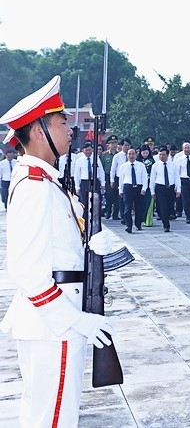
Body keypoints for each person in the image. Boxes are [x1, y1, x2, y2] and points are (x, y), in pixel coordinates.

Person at [0, 76, 115, 427]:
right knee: (54, 418)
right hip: (55, 323)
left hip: (53, 321)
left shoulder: (46, 181)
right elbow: (25, 268)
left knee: (45, 413)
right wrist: (75, 320)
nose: (70, 131)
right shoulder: (35, 186)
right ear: (38, 132)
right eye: (61, 122)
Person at [150, 145, 179, 232]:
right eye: (160, 155)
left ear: (167, 155)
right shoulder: (155, 166)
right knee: (163, 207)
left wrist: (178, 189)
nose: (161, 157)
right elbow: (152, 179)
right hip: (160, 187)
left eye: (163, 155)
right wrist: (152, 191)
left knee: (170, 206)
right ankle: (166, 225)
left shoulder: (173, 165)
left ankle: (168, 217)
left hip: (170, 188)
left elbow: (176, 177)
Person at [119, 148, 147, 233]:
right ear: (127, 155)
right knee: (127, 208)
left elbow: (144, 178)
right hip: (128, 187)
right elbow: (121, 179)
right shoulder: (123, 166)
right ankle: (129, 225)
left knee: (139, 208)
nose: (131, 156)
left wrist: (144, 188)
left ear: (136, 155)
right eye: (129, 154)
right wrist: (120, 190)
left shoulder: (141, 165)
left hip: (138, 187)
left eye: (133, 154)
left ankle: (138, 224)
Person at [73, 141, 105, 211]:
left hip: (95, 181)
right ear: (83, 151)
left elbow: (101, 171)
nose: (88, 152)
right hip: (84, 182)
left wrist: (103, 183)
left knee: (96, 201)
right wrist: (77, 187)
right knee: (84, 202)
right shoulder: (79, 160)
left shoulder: (96, 158)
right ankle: (85, 219)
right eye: (86, 150)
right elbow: (77, 174)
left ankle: (95, 219)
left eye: (90, 150)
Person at [174, 141, 190, 223]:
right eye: (185, 148)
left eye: (188, 148)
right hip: (183, 180)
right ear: (182, 149)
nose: (187, 149)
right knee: (185, 199)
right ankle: (188, 216)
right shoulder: (179, 159)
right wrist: (177, 185)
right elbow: (177, 172)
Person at [109, 137, 131, 221]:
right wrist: (112, 180)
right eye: (125, 145)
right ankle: (121, 215)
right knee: (119, 198)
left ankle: (126, 215)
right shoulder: (117, 156)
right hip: (119, 178)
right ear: (121, 146)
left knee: (127, 199)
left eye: (128, 145)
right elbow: (113, 169)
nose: (127, 147)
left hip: (129, 179)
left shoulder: (132, 155)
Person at [101, 136, 118, 219]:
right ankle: (108, 211)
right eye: (112, 143)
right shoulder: (104, 155)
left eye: (115, 143)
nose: (114, 145)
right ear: (108, 145)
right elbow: (101, 167)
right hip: (107, 176)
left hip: (117, 176)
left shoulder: (119, 155)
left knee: (117, 196)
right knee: (109, 195)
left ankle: (115, 214)